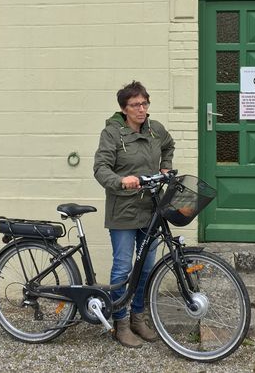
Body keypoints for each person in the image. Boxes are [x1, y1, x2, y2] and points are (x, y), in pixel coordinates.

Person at [93, 81, 175, 348]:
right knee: (123, 266)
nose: (142, 109)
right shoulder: (112, 133)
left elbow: (168, 146)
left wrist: (165, 168)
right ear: (123, 108)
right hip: (123, 209)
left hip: (150, 209)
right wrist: (120, 181)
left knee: (147, 267)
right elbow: (100, 168)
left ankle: (138, 317)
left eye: (145, 103)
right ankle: (121, 322)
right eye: (135, 105)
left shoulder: (155, 130)